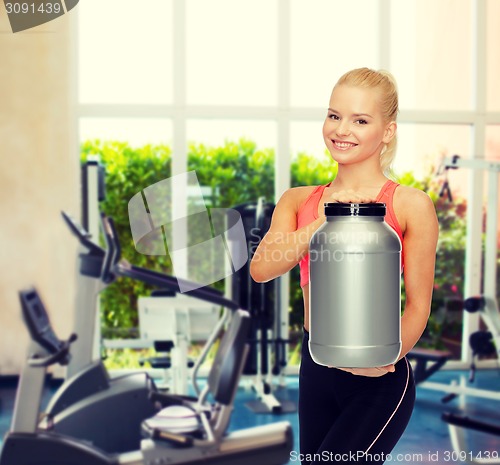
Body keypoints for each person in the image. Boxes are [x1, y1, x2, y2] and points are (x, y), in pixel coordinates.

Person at [249, 67, 439, 464]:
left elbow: (419, 306)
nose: (342, 129)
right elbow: (262, 268)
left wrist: (383, 358)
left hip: (378, 379)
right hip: (316, 365)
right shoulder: (298, 200)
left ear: (387, 131)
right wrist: (326, 219)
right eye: (334, 115)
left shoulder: (409, 205)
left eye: (360, 120)